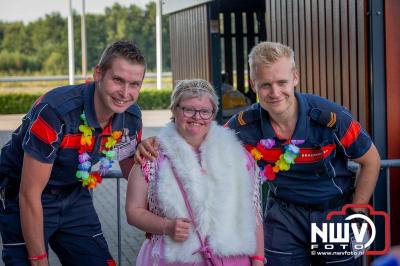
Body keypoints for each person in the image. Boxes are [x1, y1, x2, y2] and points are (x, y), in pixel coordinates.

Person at [135, 42, 381, 266]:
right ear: (254, 85)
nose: (274, 92)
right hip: (283, 216)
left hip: (334, 213)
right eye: (265, 84)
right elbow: (201, 136)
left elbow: (371, 161)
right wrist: (160, 140)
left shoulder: (332, 118)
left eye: (282, 82)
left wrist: (356, 210)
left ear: (295, 78)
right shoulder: (243, 125)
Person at [0, 40, 145, 266]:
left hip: (74, 194)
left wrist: (159, 218)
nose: (125, 93)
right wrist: (39, 260)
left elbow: (132, 173)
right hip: (23, 194)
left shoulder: (131, 117)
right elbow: (29, 194)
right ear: (98, 74)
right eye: (118, 80)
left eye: (134, 84)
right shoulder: (55, 111)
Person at [126, 79, 264, 265]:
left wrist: (257, 260)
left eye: (205, 111)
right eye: (188, 109)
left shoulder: (238, 156)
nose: (196, 117)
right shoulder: (151, 157)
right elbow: (133, 211)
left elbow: (253, 214)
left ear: (213, 114)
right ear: (174, 109)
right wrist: (167, 226)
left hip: (232, 259)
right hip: (172, 259)